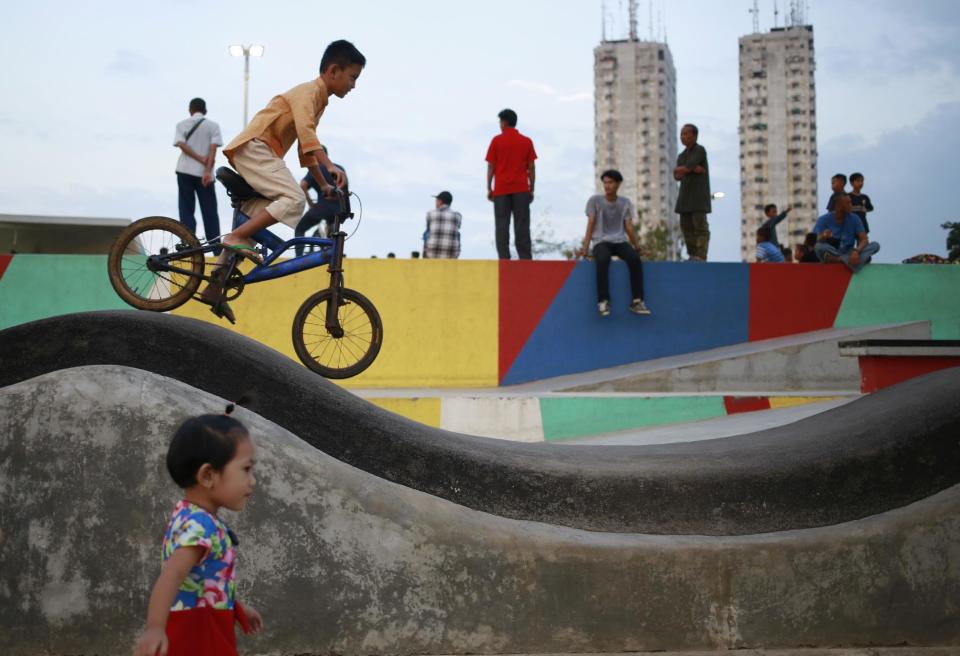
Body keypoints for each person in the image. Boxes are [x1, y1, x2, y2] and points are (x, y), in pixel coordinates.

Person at [199, 40, 365, 322]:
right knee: (294, 198)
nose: (353, 85)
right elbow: (308, 135)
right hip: (255, 147)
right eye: (352, 77)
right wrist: (330, 167)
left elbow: (305, 148)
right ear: (334, 71)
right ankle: (237, 236)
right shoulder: (308, 92)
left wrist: (323, 183)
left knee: (255, 216)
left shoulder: (318, 101)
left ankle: (216, 285)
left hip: (258, 151)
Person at [132, 404, 262, 656]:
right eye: (246, 469)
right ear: (208, 475)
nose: (252, 480)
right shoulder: (198, 526)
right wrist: (154, 629)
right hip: (197, 632)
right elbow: (172, 575)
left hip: (209, 623)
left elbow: (203, 582)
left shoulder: (196, 518)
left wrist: (236, 606)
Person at [579, 170, 651, 316]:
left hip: (620, 241)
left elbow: (629, 227)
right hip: (601, 241)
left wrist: (638, 248)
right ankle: (603, 302)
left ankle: (637, 301)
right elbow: (590, 224)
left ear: (618, 184)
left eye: (610, 182)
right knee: (603, 259)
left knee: (634, 259)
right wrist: (585, 249)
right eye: (605, 182)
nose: (607, 186)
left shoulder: (625, 202)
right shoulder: (595, 201)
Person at [486, 108, 537, 260]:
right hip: (521, 188)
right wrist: (531, 188)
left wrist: (489, 187)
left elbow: (491, 166)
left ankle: (504, 259)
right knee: (522, 225)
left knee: (502, 225)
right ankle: (525, 259)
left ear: (504, 122)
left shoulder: (496, 141)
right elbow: (532, 167)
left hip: (501, 189)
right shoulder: (526, 141)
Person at [174, 98, 223, 245]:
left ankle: (188, 245)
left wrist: (199, 158)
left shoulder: (181, 125)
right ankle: (215, 247)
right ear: (205, 111)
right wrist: (207, 170)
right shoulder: (213, 126)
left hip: (184, 171)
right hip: (205, 175)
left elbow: (181, 144)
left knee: (186, 210)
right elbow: (213, 149)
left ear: (190, 110)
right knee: (210, 212)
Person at [294, 145, 349, 256]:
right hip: (339, 209)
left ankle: (298, 256)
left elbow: (303, 185)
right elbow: (346, 190)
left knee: (300, 229)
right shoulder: (339, 168)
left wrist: (310, 203)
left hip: (322, 208)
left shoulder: (316, 169)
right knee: (334, 232)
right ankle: (335, 255)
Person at [813, 193, 880, 273]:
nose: (851, 205)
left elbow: (864, 239)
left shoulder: (855, 218)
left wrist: (856, 251)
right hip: (833, 251)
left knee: (875, 245)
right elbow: (815, 240)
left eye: (850, 202)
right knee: (818, 247)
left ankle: (838, 260)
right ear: (838, 206)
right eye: (848, 203)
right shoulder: (823, 219)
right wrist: (823, 236)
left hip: (850, 252)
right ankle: (850, 262)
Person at [673, 123, 712, 261]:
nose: (683, 137)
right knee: (686, 228)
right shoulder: (681, 155)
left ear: (694, 136)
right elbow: (676, 175)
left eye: (686, 134)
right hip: (684, 198)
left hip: (698, 197)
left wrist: (685, 169)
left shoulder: (700, 150)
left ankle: (701, 254)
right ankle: (692, 254)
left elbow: (686, 168)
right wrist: (688, 169)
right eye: (681, 134)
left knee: (700, 227)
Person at [423, 191, 462, 259]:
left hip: (432, 255)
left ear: (440, 201)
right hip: (451, 256)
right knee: (457, 233)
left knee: (426, 233)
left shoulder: (430, 214)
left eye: (436, 200)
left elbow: (428, 230)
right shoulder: (458, 216)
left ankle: (425, 258)